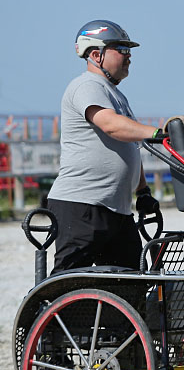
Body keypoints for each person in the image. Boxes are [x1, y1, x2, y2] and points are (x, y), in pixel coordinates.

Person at [46, 20, 162, 274]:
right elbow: (110, 125)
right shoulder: (87, 85)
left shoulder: (114, 94)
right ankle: (48, 314)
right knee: (70, 282)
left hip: (115, 207)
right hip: (81, 204)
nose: (129, 56)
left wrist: (142, 192)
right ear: (96, 55)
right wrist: (156, 134)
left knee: (130, 281)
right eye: (121, 49)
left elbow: (128, 142)